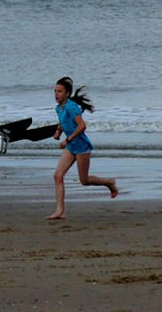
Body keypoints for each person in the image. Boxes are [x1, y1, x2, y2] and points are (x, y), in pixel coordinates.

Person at [47, 76, 116, 219]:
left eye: (59, 91)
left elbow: (82, 126)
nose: (56, 94)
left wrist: (68, 139)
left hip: (81, 146)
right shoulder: (58, 108)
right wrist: (58, 132)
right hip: (70, 147)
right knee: (57, 176)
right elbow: (63, 122)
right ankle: (60, 211)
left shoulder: (71, 107)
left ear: (66, 94)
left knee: (84, 181)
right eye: (55, 91)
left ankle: (109, 182)